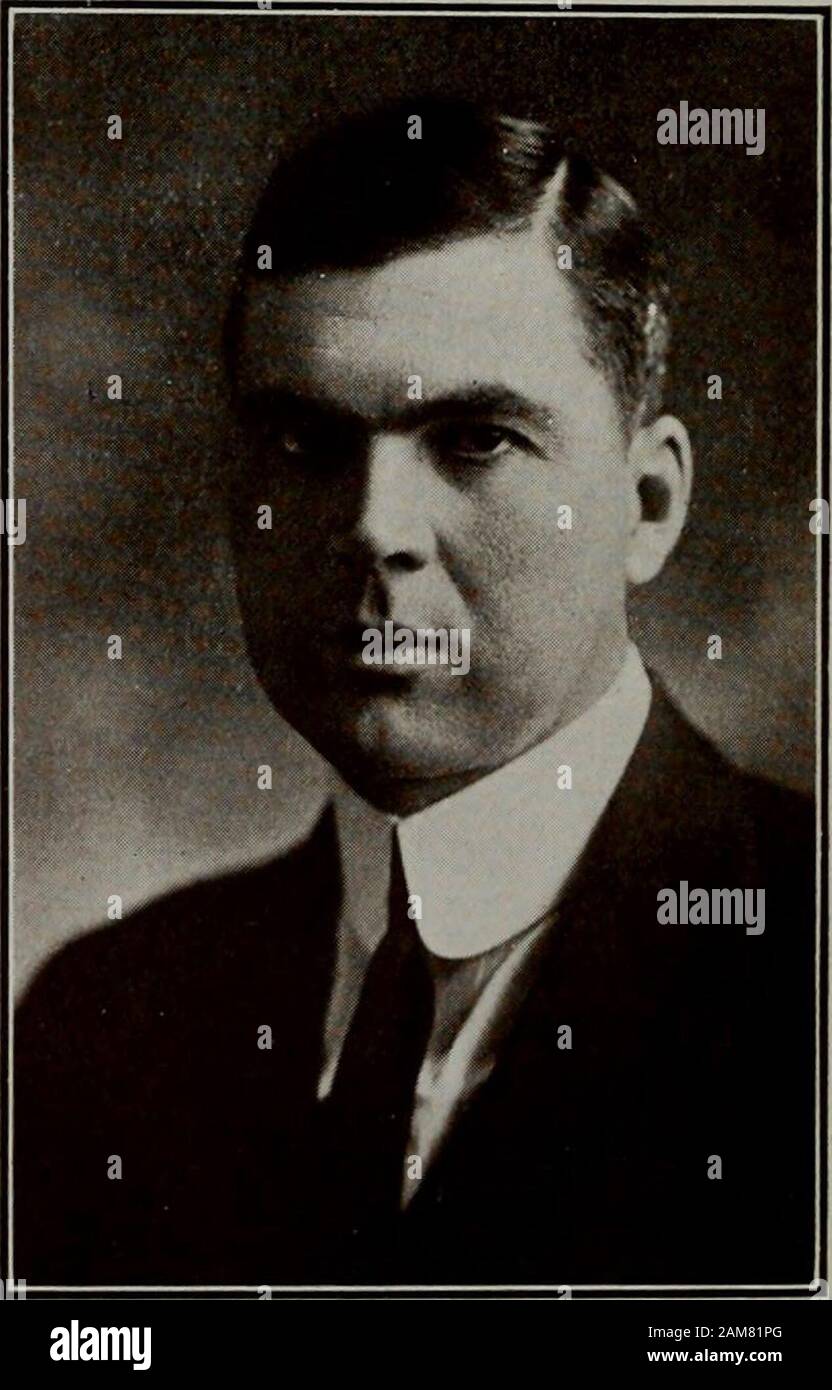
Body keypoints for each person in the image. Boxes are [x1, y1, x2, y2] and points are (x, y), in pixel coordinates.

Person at [15, 99, 814, 1289]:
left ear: (645, 506)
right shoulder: (104, 1017)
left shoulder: (808, 972)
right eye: (306, 443)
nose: (374, 526)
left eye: (475, 439)